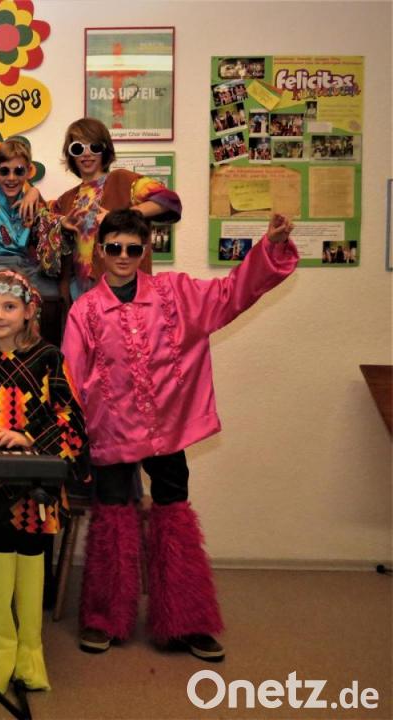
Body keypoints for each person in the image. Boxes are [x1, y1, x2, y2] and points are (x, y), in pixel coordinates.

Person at [62, 209, 298, 661]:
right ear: (101, 251)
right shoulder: (84, 311)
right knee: (113, 519)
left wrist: (268, 247)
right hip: (109, 432)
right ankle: (103, 617)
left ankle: (186, 621)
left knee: (174, 516)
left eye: (134, 248)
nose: (124, 256)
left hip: (166, 430)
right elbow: (71, 376)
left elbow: (232, 294)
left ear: (145, 251)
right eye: (114, 247)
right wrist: (72, 440)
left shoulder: (175, 294)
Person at [0, 270, 89, 699]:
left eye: (10, 307)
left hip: (36, 484)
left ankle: (30, 655)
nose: (0, 315)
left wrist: (30, 437)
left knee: (32, 556)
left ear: (29, 311)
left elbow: (70, 417)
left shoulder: (49, 357)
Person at [51, 118, 182, 303]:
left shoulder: (123, 180)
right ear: (71, 154)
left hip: (122, 290)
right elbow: (42, 218)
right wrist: (31, 192)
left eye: (94, 147)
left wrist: (125, 215)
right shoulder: (67, 198)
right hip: (79, 292)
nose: (86, 154)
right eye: (78, 148)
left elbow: (169, 200)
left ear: (104, 150)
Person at [0, 138, 72, 299]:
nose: (11, 178)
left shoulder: (31, 201)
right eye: (4, 171)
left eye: (18, 171)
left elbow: (47, 222)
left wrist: (62, 223)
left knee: (52, 292)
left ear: (28, 171)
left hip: (25, 264)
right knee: (6, 290)